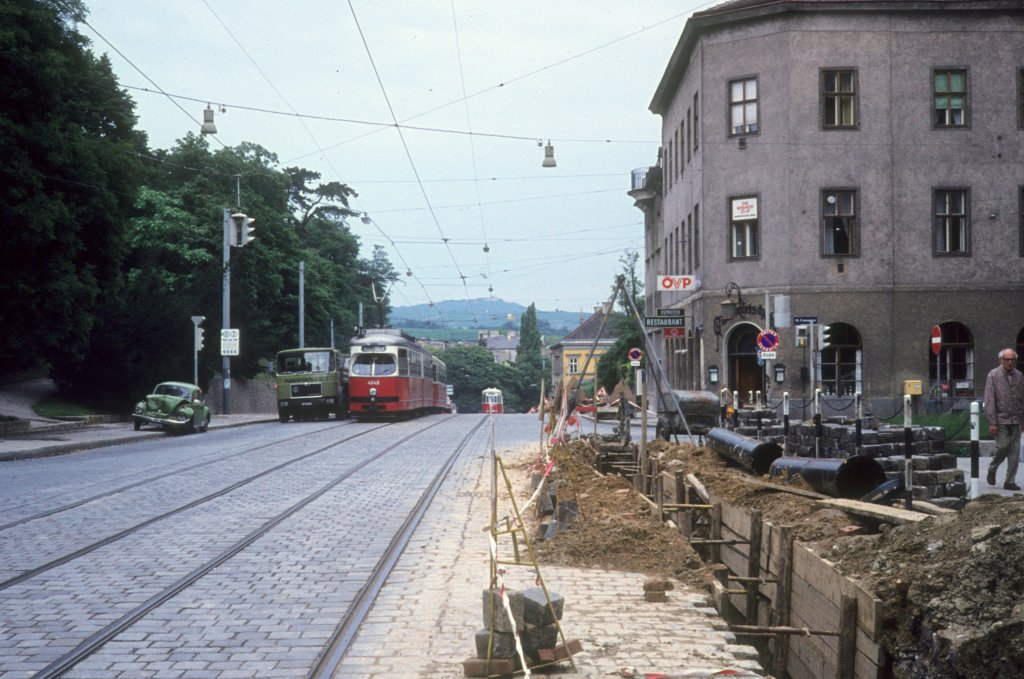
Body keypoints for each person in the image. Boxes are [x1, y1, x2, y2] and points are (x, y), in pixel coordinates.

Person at [983, 348, 1024, 490]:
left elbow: (1022, 399)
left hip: (1016, 420)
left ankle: (1010, 481)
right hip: (1000, 420)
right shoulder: (993, 375)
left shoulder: (1019, 375)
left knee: (1015, 452)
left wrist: (1022, 421)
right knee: (1003, 447)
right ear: (1000, 360)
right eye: (1007, 359)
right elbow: (989, 399)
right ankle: (992, 468)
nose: (1010, 362)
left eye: (1012, 359)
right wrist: (992, 421)